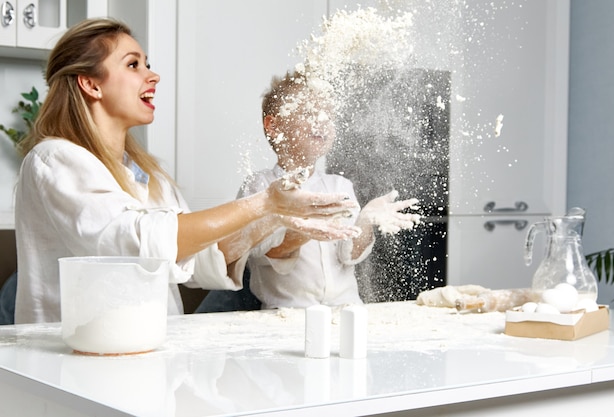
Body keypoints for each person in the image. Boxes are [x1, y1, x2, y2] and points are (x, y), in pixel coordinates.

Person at [13, 18, 360, 324]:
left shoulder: (150, 176)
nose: (153, 75)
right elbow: (131, 245)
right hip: (71, 363)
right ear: (91, 84)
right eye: (133, 65)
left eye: (148, 64)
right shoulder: (55, 160)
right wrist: (264, 204)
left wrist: (277, 219)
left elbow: (199, 259)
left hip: (151, 352)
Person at [214, 70, 422, 310]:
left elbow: (349, 254)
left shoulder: (339, 186)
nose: (322, 121)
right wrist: (302, 231)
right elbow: (261, 252)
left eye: (329, 115)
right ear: (273, 126)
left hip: (347, 310)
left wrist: (364, 222)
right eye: (309, 113)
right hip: (286, 315)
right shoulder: (259, 187)